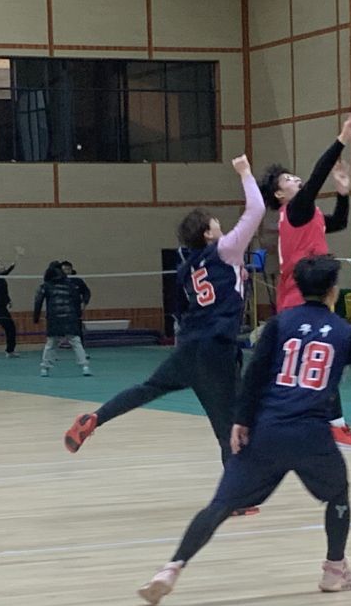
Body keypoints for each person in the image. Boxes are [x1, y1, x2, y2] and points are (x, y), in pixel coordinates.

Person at [138, 255, 351, 605]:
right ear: (333, 291)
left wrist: (241, 420)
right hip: (311, 435)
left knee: (221, 504)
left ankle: (171, 568)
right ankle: (334, 570)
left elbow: (254, 375)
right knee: (337, 494)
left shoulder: (278, 324)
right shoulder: (344, 333)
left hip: (267, 430)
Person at [65, 156, 264, 462]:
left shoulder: (187, 268)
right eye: (215, 223)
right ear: (207, 234)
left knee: (148, 388)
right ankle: (237, 487)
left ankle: (95, 418)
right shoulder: (226, 249)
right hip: (215, 350)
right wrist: (246, 173)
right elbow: (256, 210)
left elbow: (194, 305)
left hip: (188, 348)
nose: (220, 226)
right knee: (231, 428)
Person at [265, 110, 351, 446]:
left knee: (309, 364)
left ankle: (310, 424)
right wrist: (342, 139)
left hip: (307, 295)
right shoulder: (295, 210)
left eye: (295, 176)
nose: (296, 180)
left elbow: (339, 223)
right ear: (280, 195)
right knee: (323, 360)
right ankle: (332, 426)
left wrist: (344, 194)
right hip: (299, 297)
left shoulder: (307, 214)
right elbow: (319, 173)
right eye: (288, 180)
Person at [33, 260, 91, 376]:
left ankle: (45, 368)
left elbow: (38, 301)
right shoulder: (71, 285)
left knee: (51, 344)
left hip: (54, 319)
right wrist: (78, 314)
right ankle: (85, 367)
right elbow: (76, 300)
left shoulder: (45, 286)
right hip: (70, 317)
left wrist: (36, 317)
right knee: (76, 342)